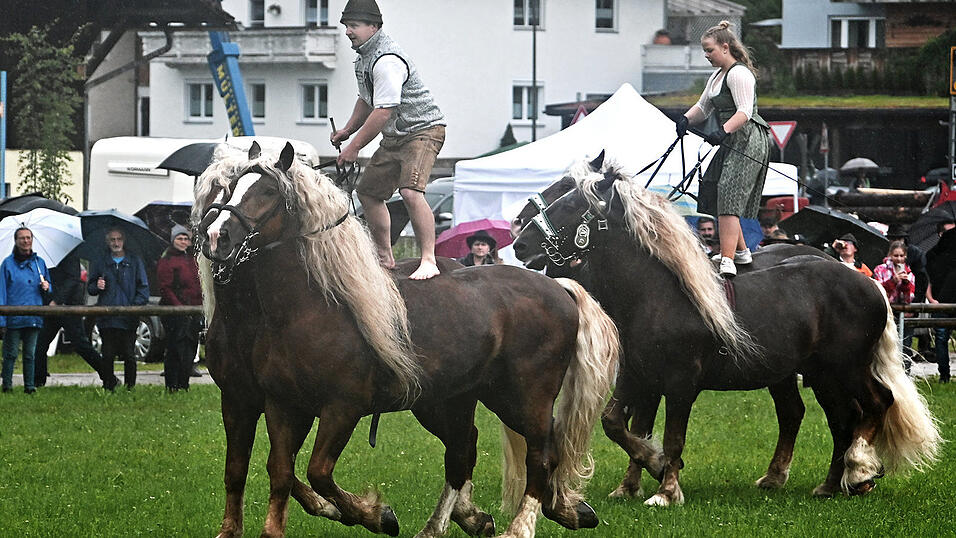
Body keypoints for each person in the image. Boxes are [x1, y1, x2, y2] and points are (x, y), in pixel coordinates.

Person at [331, 0, 446, 280]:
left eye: (354, 25)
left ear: (374, 27)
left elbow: (384, 111)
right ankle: (384, 257)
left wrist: (354, 147)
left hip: (423, 131)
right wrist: (347, 130)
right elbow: (366, 100)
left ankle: (429, 259)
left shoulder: (387, 61)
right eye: (346, 25)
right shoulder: (363, 59)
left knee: (410, 192)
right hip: (395, 138)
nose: (348, 31)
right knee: (368, 193)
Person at [675, 20, 772, 278]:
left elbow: (744, 112)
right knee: (715, 189)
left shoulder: (739, 74)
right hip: (731, 137)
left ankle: (728, 259)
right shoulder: (716, 76)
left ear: (725, 47)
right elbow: (703, 107)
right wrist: (685, 119)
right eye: (705, 51)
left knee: (729, 194)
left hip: (748, 138)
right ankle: (740, 250)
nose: (707, 56)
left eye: (710, 50)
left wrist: (722, 130)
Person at [33, 251, 119, 391]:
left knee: (81, 345)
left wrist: (57, 300)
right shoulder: (42, 258)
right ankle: (38, 382)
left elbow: (73, 279)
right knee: (41, 344)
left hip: (69, 307)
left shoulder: (69, 255)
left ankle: (109, 377)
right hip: (51, 307)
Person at [87, 227, 149, 390]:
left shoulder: (135, 261)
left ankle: (130, 387)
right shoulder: (100, 261)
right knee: (107, 354)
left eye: (119, 239)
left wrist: (134, 307)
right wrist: (97, 286)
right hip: (107, 317)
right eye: (113, 240)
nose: (116, 243)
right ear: (108, 242)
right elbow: (90, 287)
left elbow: (143, 288)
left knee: (129, 354)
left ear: (124, 241)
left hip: (129, 317)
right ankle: (108, 385)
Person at [0, 227, 51, 394]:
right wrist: (2, 319)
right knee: (11, 354)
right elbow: (2, 292)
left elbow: (49, 290)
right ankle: (7, 385)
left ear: (32, 240)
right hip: (13, 317)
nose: (26, 241)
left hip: (33, 316)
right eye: (22, 238)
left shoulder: (39, 263)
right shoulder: (7, 264)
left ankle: (30, 386)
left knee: (30, 354)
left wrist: (47, 287)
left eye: (28, 238)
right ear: (16, 241)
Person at [156, 225, 203, 392]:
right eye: (180, 238)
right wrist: (179, 308)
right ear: (173, 240)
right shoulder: (167, 259)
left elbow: (198, 284)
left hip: (194, 310)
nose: (183, 242)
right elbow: (165, 288)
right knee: (175, 348)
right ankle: (172, 385)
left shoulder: (192, 259)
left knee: (190, 348)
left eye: (186, 239)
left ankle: (184, 383)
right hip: (174, 312)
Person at [926, 226, 956, 383]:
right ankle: (944, 374)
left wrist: (932, 300)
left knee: (941, 338)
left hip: (940, 302)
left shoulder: (933, 256)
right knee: (941, 338)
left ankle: (944, 375)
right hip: (941, 301)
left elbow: (928, 281)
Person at [874, 240, 915, 305]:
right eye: (896, 256)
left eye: (901, 256)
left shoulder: (909, 274)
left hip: (900, 311)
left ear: (905, 256)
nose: (899, 259)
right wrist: (892, 281)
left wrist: (905, 284)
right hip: (883, 307)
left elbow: (909, 300)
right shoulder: (880, 269)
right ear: (890, 255)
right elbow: (877, 292)